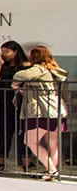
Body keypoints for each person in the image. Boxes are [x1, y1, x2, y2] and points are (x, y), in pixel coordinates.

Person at [13, 45, 69, 181]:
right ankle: (53, 172)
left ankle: (52, 170)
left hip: (40, 110)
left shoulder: (38, 69)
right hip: (57, 109)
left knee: (30, 141)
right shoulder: (56, 70)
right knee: (53, 143)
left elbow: (19, 75)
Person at [0, 40, 30, 172]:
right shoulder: (3, 65)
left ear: (15, 52)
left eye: (7, 51)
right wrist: (0, 63)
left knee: (21, 133)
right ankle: (1, 162)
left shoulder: (24, 67)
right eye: (2, 51)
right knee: (4, 132)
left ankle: (26, 162)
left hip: (19, 104)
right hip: (2, 103)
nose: (4, 54)